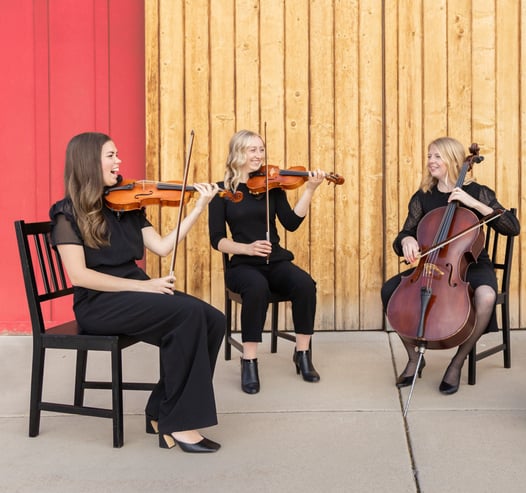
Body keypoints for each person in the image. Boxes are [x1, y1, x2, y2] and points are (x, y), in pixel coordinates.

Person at [50, 132, 226, 453]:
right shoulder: (67, 214)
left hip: (136, 294)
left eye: (117, 155)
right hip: (99, 303)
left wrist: (198, 208)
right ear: (89, 162)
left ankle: (160, 411)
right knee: (187, 315)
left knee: (212, 319)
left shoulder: (126, 205)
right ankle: (181, 423)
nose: (119, 161)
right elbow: (80, 275)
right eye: (110, 156)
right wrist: (144, 285)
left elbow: (161, 247)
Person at [381, 136, 520, 394]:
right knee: (390, 292)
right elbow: (402, 235)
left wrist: (474, 204)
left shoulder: (478, 192)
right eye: (429, 156)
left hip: (472, 265)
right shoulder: (423, 197)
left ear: (454, 160)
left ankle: (457, 362)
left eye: (437, 156)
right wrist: (408, 240)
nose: (430, 161)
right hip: (431, 265)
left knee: (486, 296)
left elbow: (512, 227)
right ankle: (414, 358)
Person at [208, 129, 327, 394]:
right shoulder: (221, 192)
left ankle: (303, 353)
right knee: (256, 288)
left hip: (275, 260)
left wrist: (309, 190)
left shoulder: (272, 187)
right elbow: (217, 240)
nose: (259, 155)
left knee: (305, 284)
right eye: (252, 150)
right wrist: (247, 249)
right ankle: (249, 359)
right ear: (237, 153)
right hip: (242, 265)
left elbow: (291, 223)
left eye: (261, 149)